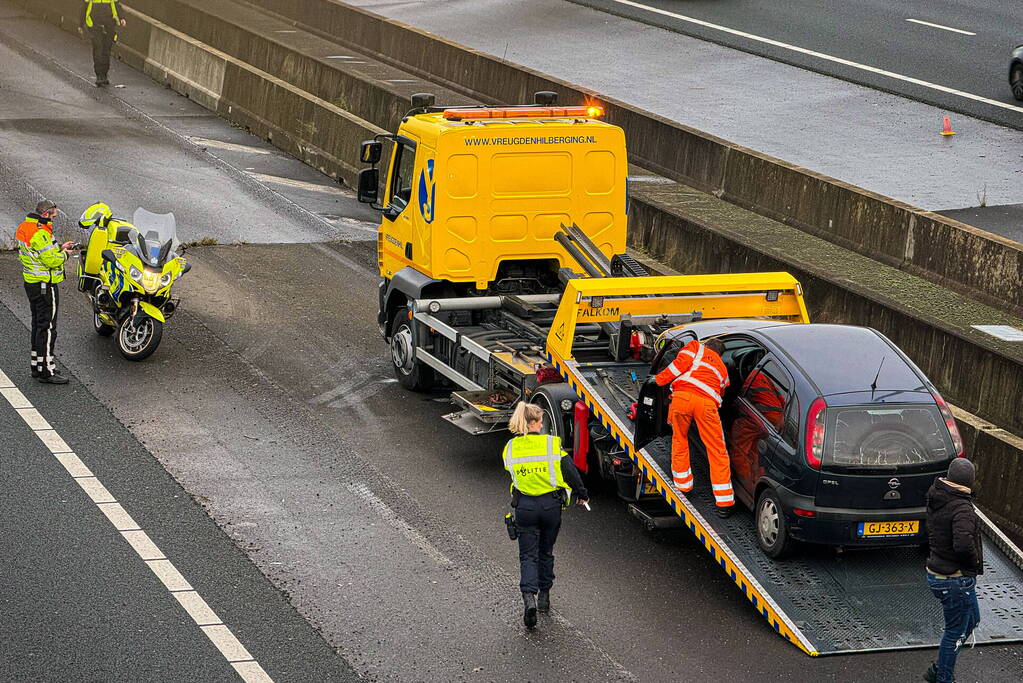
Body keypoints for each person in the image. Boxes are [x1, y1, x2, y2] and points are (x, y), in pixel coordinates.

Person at [502, 402, 589, 629]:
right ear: (533, 423)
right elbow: (569, 470)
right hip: (551, 507)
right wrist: (582, 494)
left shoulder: (511, 447)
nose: (542, 424)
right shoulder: (552, 444)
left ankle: (528, 598)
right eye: (540, 421)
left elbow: (511, 472)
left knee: (528, 555)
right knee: (546, 552)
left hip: (525, 508)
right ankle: (544, 598)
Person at [655, 337, 734, 517]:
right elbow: (722, 391)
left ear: (707, 346)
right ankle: (724, 503)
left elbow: (677, 367)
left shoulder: (695, 348)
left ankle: (684, 486)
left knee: (680, 439)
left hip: (682, 398)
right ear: (720, 355)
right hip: (707, 405)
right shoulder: (723, 369)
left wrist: (657, 381)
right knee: (717, 450)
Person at [924, 458, 983, 683]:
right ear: (970, 481)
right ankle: (943, 678)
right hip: (955, 580)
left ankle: (938, 669)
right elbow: (963, 545)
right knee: (954, 634)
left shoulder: (937, 495)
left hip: (937, 572)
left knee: (972, 620)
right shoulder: (962, 508)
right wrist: (974, 561)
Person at [15, 200, 75, 384]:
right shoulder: (40, 232)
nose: (54, 219)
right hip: (44, 285)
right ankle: (46, 372)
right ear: (46, 214)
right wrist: (66, 254)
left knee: (38, 325)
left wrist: (59, 247)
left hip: (32, 282)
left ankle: (37, 365)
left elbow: (39, 253)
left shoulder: (26, 227)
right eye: (54, 216)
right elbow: (50, 261)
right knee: (47, 328)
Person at [78, 0, 126, 87]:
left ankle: (104, 74)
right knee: (98, 48)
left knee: (106, 50)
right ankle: (99, 75)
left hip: (109, 25)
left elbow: (117, 5)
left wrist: (121, 18)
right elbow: (85, 7)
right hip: (95, 25)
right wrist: (81, 24)